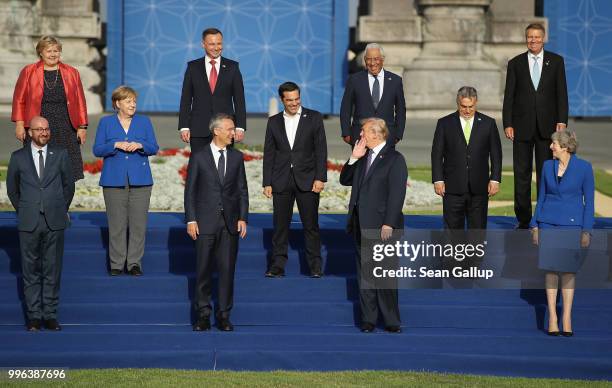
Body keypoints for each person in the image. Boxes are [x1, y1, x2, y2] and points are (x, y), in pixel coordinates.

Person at [6, 116, 75, 331]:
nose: (44, 133)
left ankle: (50, 315)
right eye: (39, 129)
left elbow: (68, 186)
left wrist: (59, 208)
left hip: (54, 221)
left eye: (46, 129)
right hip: (29, 221)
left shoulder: (61, 154)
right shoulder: (18, 157)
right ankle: (34, 316)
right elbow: (12, 189)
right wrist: (26, 209)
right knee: (31, 271)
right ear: (29, 133)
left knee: (52, 270)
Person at [339, 118, 407, 333]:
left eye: (364, 132)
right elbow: (345, 180)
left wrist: (389, 223)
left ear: (377, 134)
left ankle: (391, 320)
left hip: (382, 226)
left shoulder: (395, 159)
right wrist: (353, 158)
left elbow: (397, 194)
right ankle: (368, 319)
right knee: (366, 275)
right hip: (360, 223)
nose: (361, 136)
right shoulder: (362, 156)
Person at [184, 113, 249, 332]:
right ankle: (203, 315)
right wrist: (191, 219)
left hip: (230, 224)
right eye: (230, 129)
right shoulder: (199, 156)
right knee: (202, 270)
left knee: (227, 270)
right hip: (204, 222)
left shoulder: (237, 157)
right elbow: (190, 191)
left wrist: (243, 218)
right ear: (217, 131)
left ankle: (223, 315)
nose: (234, 133)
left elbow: (242, 190)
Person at [502, 23, 569, 229]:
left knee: (546, 174)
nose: (533, 40)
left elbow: (561, 94)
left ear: (543, 39)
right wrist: (508, 123)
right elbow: (509, 96)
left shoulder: (556, 62)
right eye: (530, 37)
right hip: (521, 127)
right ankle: (523, 219)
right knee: (521, 174)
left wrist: (562, 120)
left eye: (537, 37)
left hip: (548, 129)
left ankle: (544, 216)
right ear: (526, 39)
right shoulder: (515, 63)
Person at [530, 130, 594, 337]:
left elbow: (589, 203)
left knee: (567, 272)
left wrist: (587, 230)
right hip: (547, 223)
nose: (550, 147)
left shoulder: (584, 168)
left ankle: (566, 316)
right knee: (550, 271)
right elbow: (541, 198)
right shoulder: (547, 166)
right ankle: (553, 317)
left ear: (565, 147)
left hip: (572, 225)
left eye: (554, 144)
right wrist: (535, 225)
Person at [262, 82, 328, 278]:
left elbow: (321, 149)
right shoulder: (273, 122)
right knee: (280, 226)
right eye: (289, 100)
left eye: (297, 99)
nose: (294, 103)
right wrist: (267, 182)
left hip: (308, 179)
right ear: (282, 100)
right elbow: (269, 153)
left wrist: (320, 177)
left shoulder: (314, 117)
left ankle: (315, 266)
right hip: (281, 180)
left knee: (311, 226)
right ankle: (277, 265)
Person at [93, 86, 159, 276]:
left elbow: (154, 146)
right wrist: (114, 144)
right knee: (116, 224)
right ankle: (116, 263)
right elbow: (97, 149)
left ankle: (134, 263)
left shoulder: (144, 122)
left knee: (138, 224)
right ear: (118, 103)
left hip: (141, 180)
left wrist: (140, 145)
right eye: (128, 101)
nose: (133, 104)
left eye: (134, 101)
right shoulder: (106, 123)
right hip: (114, 180)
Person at [12, 35, 88, 181]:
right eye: (49, 51)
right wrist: (20, 125)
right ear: (40, 52)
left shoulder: (72, 72)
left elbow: (80, 101)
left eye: (56, 50)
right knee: (38, 169)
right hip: (38, 124)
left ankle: (62, 201)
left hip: (65, 125)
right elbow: (19, 100)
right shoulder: (28, 71)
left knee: (67, 171)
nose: (53, 54)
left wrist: (82, 127)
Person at [431, 86, 502, 229]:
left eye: (471, 106)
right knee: (452, 233)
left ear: (476, 103)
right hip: (452, 187)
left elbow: (496, 153)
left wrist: (495, 179)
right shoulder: (444, 123)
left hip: (479, 187)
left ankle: (474, 253)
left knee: (477, 232)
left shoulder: (488, 124)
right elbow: (437, 154)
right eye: (464, 106)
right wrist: (438, 179)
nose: (468, 110)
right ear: (457, 103)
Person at [178, 28, 247, 154]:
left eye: (219, 43)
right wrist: (184, 126)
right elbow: (186, 99)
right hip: (199, 129)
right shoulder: (193, 67)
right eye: (212, 44)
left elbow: (239, 100)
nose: (216, 48)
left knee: (224, 170)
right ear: (203, 44)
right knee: (199, 169)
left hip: (225, 129)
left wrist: (240, 127)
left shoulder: (233, 67)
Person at [340, 43, 406, 146]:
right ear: (365, 60)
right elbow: (346, 108)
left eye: (376, 59)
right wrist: (346, 133)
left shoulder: (395, 81)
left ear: (382, 59)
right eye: (369, 59)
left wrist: (397, 135)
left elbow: (401, 110)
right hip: (360, 136)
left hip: (387, 136)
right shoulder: (354, 80)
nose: (372, 63)